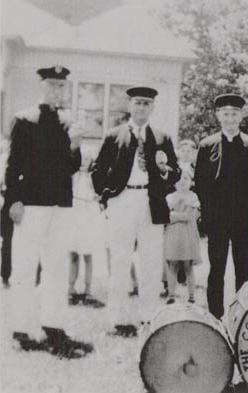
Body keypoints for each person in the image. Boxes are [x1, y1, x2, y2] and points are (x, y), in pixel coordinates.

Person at [5, 65, 93, 358]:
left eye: (61, 86)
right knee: (24, 267)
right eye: (52, 85)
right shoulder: (25, 119)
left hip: (60, 205)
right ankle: (21, 329)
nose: (57, 90)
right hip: (30, 203)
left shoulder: (68, 122)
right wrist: (14, 201)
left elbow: (70, 167)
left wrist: (76, 145)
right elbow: (12, 165)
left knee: (56, 267)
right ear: (41, 86)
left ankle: (52, 327)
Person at [92, 86, 180, 337]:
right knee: (120, 260)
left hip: (151, 201)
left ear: (153, 107)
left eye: (146, 103)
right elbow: (97, 170)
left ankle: (148, 315)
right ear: (130, 106)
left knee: (151, 261)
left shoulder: (162, 137)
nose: (141, 108)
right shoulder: (114, 135)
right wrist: (106, 197)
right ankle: (117, 317)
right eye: (137, 103)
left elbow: (176, 173)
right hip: (123, 200)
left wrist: (165, 171)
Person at [194, 93, 248, 319]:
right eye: (225, 114)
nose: (230, 118)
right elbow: (201, 183)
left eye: (234, 114)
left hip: (243, 217)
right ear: (218, 116)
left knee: (243, 266)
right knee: (217, 268)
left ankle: (241, 315)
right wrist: (205, 214)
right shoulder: (207, 145)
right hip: (217, 218)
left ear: (241, 116)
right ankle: (215, 315)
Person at [68, 153, 105, 308]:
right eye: (82, 158)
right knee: (74, 253)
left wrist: (99, 197)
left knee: (88, 254)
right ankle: (71, 287)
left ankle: (88, 288)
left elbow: (101, 192)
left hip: (89, 214)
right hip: (75, 213)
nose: (84, 161)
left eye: (87, 159)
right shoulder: (74, 176)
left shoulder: (94, 177)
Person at [163, 169, 202, 304]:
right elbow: (166, 217)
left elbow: (191, 216)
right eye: (179, 179)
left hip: (188, 235)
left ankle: (191, 296)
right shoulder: (170, 197)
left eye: (186, 178)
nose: (182, 181)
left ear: (192, 182)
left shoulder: (194, 197)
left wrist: (175, 216)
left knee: (188, 266)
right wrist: (180, 216)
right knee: (172, 265)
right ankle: (171, 294)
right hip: (173, 235)